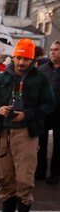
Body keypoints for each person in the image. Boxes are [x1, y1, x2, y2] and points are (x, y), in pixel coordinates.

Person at [0, 39, 54, 212]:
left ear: (32, 59)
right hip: (2, 132)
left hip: (26, 133)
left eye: (26, 58)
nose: (22, 62)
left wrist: (28, 114)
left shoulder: (40, 79)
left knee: (24, 175)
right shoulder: (2, 77)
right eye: (19, 57)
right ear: (13, 57)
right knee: (4, 175)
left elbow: (49, 104)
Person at [36, 40, 60, 184]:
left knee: (58, 144)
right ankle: (40, 171)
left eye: (56, 49)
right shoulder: (42, 69)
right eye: (51, 49)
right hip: (44, 111)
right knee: (40, 142)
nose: (52, 52)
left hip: (59, 111)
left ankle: (55, 173)